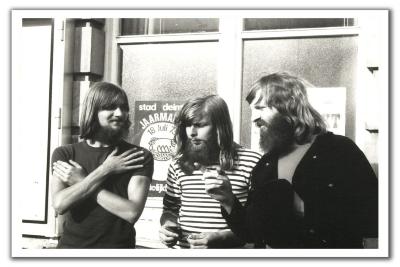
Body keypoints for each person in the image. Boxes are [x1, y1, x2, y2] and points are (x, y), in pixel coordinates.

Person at [205, 72, 378, 248]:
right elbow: (251, 233)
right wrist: (227, 199)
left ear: (289, 106)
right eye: (252, 110)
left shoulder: (340, 150)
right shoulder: (265, 164)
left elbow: (373, 220)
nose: (253, 118)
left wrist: (302, 208)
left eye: (260, 108)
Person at [51, 82, 154, 248]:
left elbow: (131, 212)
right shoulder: (65, 154)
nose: (120, 113)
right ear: (93, 110)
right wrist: (105, 170)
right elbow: (60, 204)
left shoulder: (138, 156)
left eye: (124, 107)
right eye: (110, 107)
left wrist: (82, 181)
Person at [159, 95, 261, 248]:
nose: (191, 132)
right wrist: (167, 228)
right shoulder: (178, 163)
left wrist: (221, 237)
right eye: (187, 125)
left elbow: (258, 227)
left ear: (220, 127)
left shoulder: (252, 162)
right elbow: (170, 209)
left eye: (200, 125)